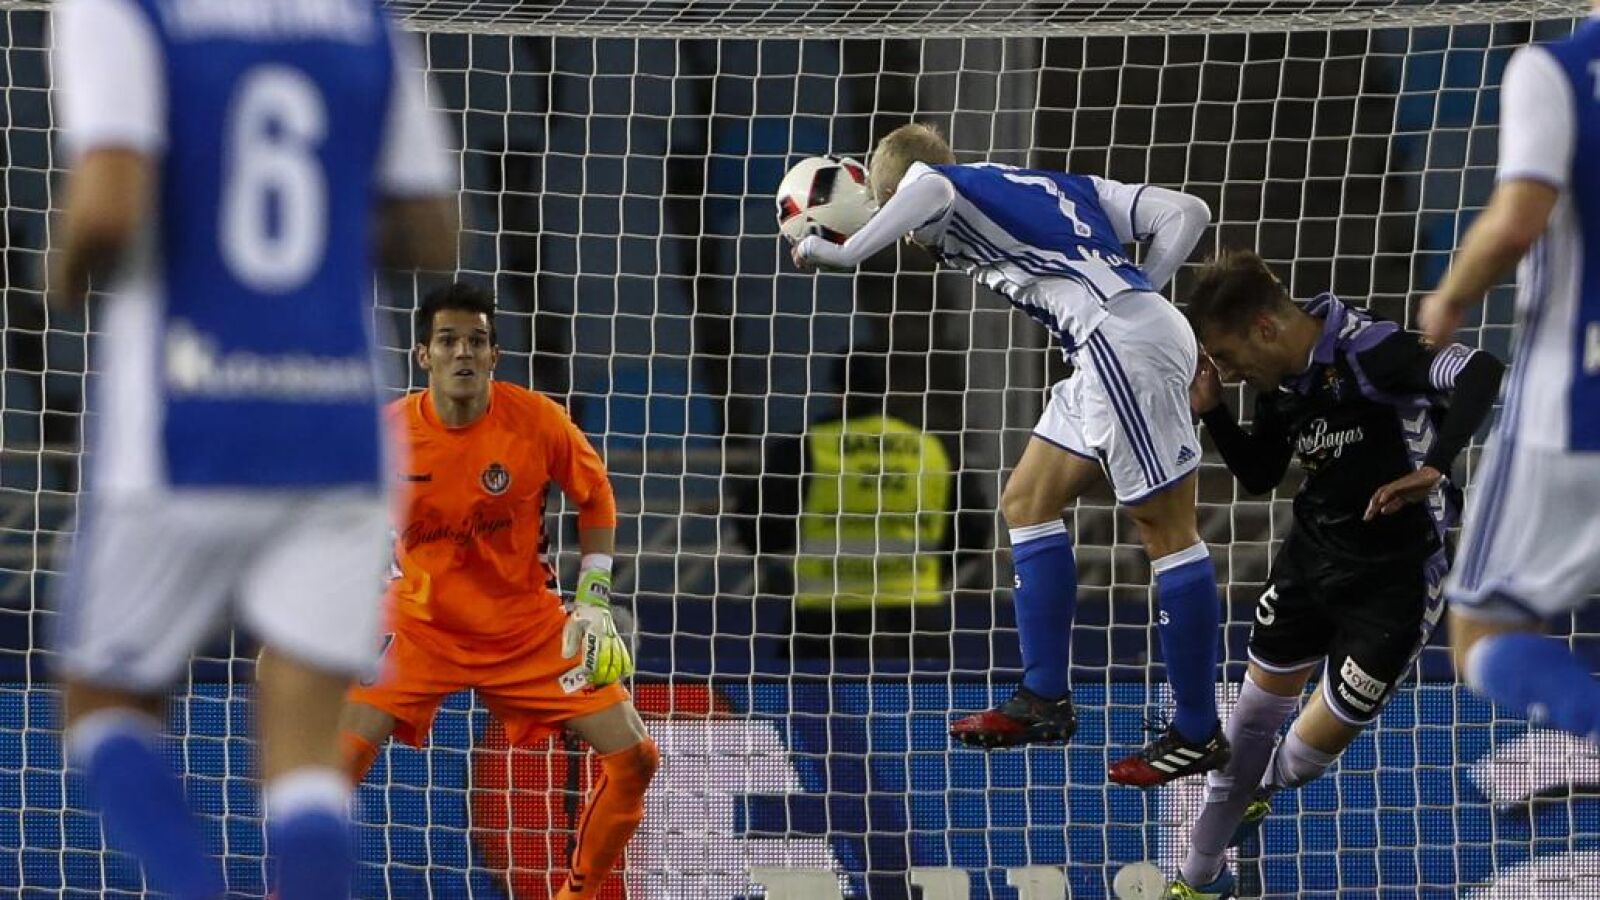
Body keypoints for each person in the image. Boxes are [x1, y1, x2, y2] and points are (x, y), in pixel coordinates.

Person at [48, 0, 457, 897]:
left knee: (103, 698)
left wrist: (64, 273)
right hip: (338, 429)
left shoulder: (122, 9)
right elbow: (434, 231)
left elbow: (108, 206)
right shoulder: (361, 18)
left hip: (187, 423)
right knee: (305, 751)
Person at [792, 123, 1226, 786]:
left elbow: (930, 187)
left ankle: (1197, 729)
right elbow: (1186, 212)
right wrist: (1139, 288)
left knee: (1167, 531)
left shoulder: (940, 186)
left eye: (897, 222)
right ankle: (1043, 696)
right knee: (1026, 502)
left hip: (1120, 345)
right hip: (1107, 342)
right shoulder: (1054, 187)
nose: (909, 237)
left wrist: (845, 251)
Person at [1166, 250, 1503, 899]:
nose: (1228, 372)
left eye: (1228, 357)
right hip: (1311, 560)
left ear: (1265, 327)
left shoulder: (1372, 351)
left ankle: (1263, 787)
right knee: (1249, 722)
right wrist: (1213, 410)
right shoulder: (1280, 384)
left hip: (1396, 580)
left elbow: (1481, 369)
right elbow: (1261, 473)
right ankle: (1198, 880)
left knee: (1301, 761)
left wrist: (1435, 465)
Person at [341, 283, 658, 900]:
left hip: (526, 630)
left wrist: (593, 597)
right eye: (448, 340)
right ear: (423, 356)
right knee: (329, 771)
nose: (463, 352)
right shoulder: (385, 434)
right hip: (419, 628)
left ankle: (576, 895)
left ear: (494, 356)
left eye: (477, 341)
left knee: (635, 759)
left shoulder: (537, 420)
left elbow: (595, 497)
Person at [1419, 7, 1600, 750]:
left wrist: (1450, 296)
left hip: (1575, 410)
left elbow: (1518, 219)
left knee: (1483, 631)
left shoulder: (1553, 69)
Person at [732, 350, 990, 661]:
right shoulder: (933, 449)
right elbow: (974, 529)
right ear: (886, 390)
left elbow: (754, 523)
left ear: (837, 393)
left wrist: (793, 558)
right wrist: (933, 570)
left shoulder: (807, 447)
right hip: (915, 621)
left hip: (825, 621)